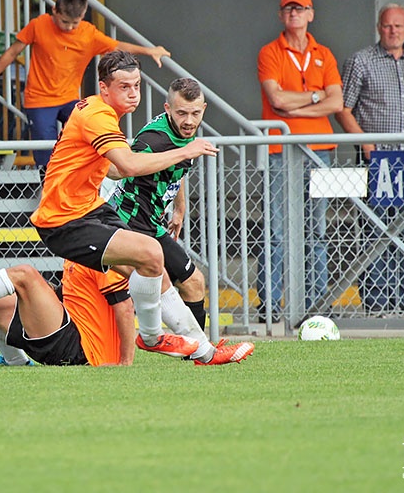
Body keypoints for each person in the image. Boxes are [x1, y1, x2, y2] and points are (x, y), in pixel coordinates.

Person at [28, 49, 250, 365]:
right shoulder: (118, 124)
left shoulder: (107, 115)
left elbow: (122, 168)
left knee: (168, 275)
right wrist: (187, 151)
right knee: (147, 266)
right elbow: (129, 165)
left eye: (136, 85)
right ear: (104, 88)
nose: (133, 93)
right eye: (124, 86)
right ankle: (153, 340)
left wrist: (179, 205)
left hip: (107, 213)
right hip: (81, 219)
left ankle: (201, 352)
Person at [0, 0, 171, 169]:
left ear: (83, 15)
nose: (69, 27)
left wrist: (149, 50)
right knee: (45, 151)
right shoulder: (38, 25)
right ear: (54, 11)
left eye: (75, 23)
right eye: (65, 21)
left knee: (90, 127)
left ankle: (94, 176)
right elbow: (12, 52)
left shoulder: (88, 33)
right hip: (39, 100)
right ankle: (47, 188)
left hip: (69, 99)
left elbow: (116, 46)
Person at [336, 3, 404, 315]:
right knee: (374, 230)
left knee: (403, 231)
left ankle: (399, 299)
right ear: (378, 28)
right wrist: (367, 146)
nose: (393, 31)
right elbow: (343, 108)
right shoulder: (361, 61)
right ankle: (377, 301)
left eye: (398, 26)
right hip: (377, 159)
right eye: (387, 26)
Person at [256, 0, 343, 321]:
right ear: (281, 15)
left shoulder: (325, 53)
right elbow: (276, 101)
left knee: (316, 230)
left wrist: (301, 105)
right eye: (288, 9)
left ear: (311, 14)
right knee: (277, 230)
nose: (294, 13)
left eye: (300, 8)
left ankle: (317, 303)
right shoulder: (270, 52)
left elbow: (337, 102)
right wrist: (317, 98)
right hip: (281, 150)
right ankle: (270, 305)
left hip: (322, 151)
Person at [0, 247, 135, 366]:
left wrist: (125, 362)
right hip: (69, 324)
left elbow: (124, 306)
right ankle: (15, 360)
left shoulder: (107, 253)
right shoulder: (84, 246)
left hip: (80, 350)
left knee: (26, 275)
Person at [108, 77, 211, 331]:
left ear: (203, 109)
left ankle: (197, 354)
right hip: (126, 222)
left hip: (152, 223)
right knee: (157, 283)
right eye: (182, 113)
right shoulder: (153, 140)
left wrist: (179, 207)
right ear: (168, 110)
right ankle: (158, 337)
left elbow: (177, 168)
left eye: (195, 113)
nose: (189, 121)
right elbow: (120, 168)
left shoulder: (187, 136)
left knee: (195, 282)